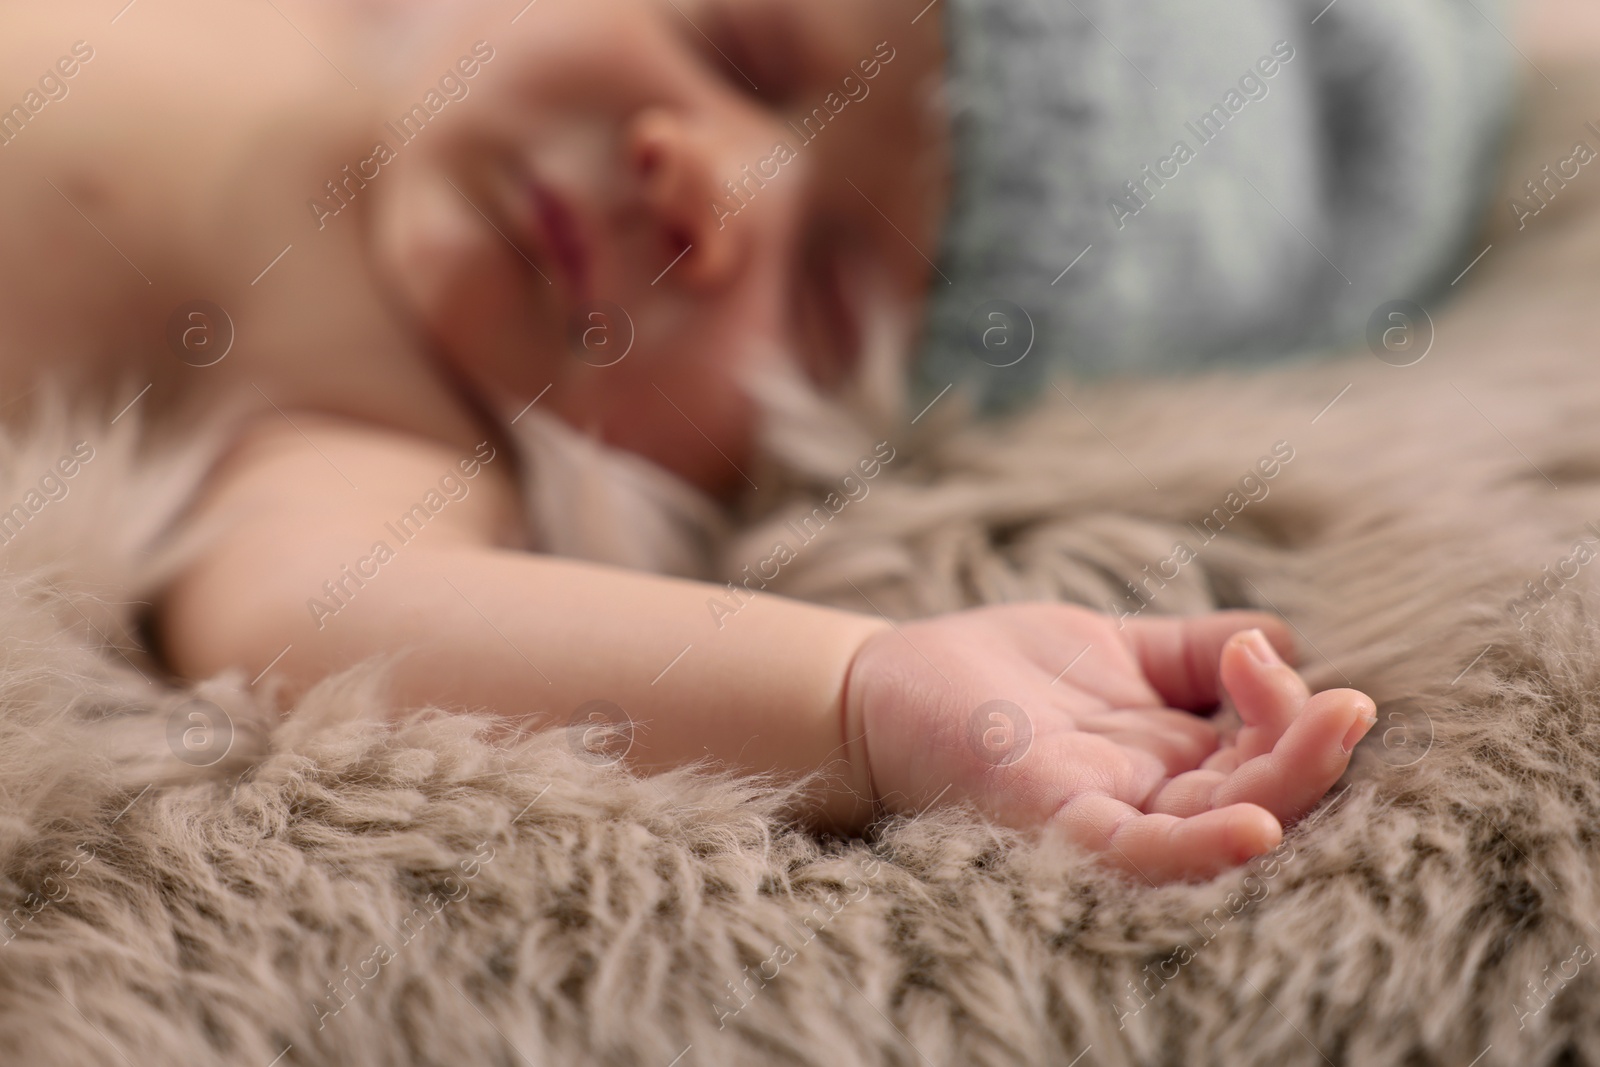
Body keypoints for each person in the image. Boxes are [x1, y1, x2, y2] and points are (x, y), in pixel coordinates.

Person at [0, 0, 1449, 885]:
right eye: (734, 44)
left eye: (825, 292)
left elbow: (304, 609)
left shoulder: (382, 411)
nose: (715, 187)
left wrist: (864, 692)